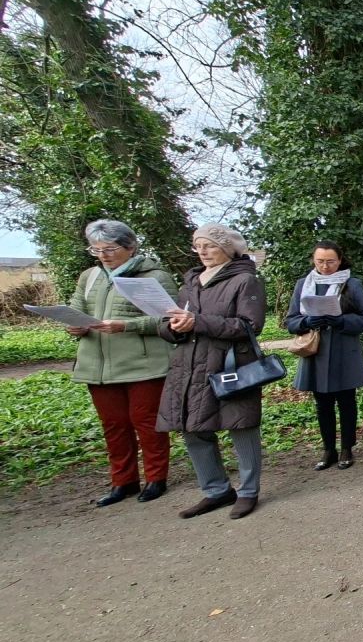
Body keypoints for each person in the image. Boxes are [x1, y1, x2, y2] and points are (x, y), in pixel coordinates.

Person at [157, 224, 267, 520]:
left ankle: (248, 491)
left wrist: (198, 322)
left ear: (227, 249)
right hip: (189, 366)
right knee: (193, 426)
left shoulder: (245, 280)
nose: (202, 251)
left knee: (241, 426)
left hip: (231, 364)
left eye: (210, 245)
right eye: (198, 245)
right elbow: (168, 323)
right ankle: (216, 490)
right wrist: (173, 327)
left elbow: (249, 325)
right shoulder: (190, 283)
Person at [66, 219, 178, 507]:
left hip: (144, 364)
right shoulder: (89, 276)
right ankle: (123, 481)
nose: (103, 255)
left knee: (147, 423)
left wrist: (126, 325)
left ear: (131, 247)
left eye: (110, 249)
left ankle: (156, 478)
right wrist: (74, 326)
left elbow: (170, 319)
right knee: (113, 425)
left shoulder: (153, 276)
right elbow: (76, 309)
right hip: (98, 365)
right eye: (96, 249)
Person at [283, 240, 363, 470]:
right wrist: (306, 321)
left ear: (340, 261)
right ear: (313, 260)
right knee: (322, 403)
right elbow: (290, 321)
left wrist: (341, 321)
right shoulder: (304, 284)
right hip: (316, 352)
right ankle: (328, 449)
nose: (325, 266)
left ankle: (347, 448)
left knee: (346, 402)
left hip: (344, 350)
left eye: (330, 261)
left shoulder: (351, 284)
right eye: (320, 261)